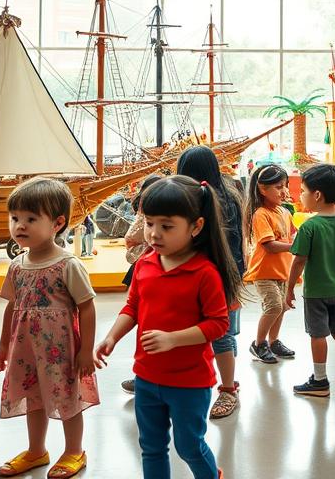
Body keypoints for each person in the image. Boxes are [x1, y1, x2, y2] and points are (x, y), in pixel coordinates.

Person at [94, 176, 239, 479]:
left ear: (196, 226)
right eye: (149, 223)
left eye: (167, 226)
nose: (154, 234)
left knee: (189, 446)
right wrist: (111, 337)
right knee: (152, 446)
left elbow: (218, 323)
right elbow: (132, 307)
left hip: (190, 383)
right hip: (146, 377)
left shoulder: (204, 273)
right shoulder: (145, 264)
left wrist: (175, 339)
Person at [0, 178, 99, 479]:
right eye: (15, 218)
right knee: (33, 397)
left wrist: (86, 351)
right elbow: (12, 306)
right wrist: (3, 345)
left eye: (30, 218)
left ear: (57, 223)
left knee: (68, 398)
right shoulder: (17, 266)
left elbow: (87, 307)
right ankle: (36, 450)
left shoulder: (68, 264)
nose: (20, 226)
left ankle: (74, 450)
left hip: (61, 350)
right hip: (26, 348)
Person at [176, 145, 245, 420]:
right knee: (211, 332)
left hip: (213, 275)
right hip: (221, 273)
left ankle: (228, 389)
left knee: (220, 335)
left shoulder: (204, 198)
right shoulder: (229, 194)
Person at [285, 163, 335, 397]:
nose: (301, 196)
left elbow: (299, 261)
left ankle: (320, 381)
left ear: (317, 195)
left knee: (318, 334)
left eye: (303, 191)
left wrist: (289, 288)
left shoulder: (309, 226)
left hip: (316, 292)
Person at [242, 164, 296, 365]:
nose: (284, 191)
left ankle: (274, 341)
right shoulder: (261, 214)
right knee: (273, 306)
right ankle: (259, 343)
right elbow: (270, 246)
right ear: (262, 189)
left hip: (283, 270)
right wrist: (294, 246)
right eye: (278, 187)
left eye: (285, 186)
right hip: (264, 271)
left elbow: (293, 233)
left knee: (281, 307)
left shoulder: (284, 212)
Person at [120, 173, 163, 395]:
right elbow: (130, 241)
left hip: (149, 266)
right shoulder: (145, 214)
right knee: (148, 322)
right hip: (145, 267)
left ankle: (146, 376)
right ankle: (144, 375)